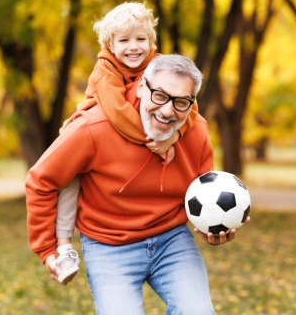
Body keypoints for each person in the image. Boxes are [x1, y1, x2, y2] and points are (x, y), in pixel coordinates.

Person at [26, 54, 249, 314]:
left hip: (171, 239)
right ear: (142, 86)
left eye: (181, 102)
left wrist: (211, 229)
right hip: (108, 244)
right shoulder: (93, 127)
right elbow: (41, 179)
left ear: (192, 103)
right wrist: (46, 248)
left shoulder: (196, 131)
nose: (168, 111)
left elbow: (201, 193)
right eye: (160, 95)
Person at [51, 2, 199, 283]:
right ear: (109, 44)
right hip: (94, 132)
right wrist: (152, 139)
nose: (134, 47)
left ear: (151, 41)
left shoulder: (159, 66)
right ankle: (64, 247)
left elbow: (190, 104)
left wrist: (174, 136)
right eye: (124, 40)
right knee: (70, 184)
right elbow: (118, 113)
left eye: (141, 39)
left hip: (136, 133)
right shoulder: (105, 69)